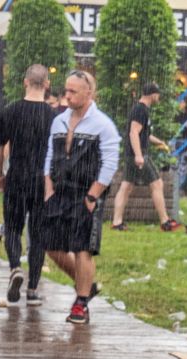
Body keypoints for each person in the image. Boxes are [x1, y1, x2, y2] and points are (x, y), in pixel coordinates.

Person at [42, 70, 120, 325]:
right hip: (59, 191)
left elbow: (110, 163)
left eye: (73, 91)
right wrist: (48, 189)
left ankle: (81, 303)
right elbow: (49, 157)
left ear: (89, 92)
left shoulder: (103, 125)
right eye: (66, 90)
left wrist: (93, 194)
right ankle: (85, 284)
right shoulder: (59, 121)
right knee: (51, 245)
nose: (67, 95)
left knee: (82, 247)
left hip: (85, 192)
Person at [0, 64, 58, 306]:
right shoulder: (54, 117)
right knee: (38, 234)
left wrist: (0, 173)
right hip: (43, 181)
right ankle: (32, 289)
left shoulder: (10, 111)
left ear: (25, 82)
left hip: (17, 176)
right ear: (47, 84)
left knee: (13, 228)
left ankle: (16, 268)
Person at [110, 82, 180, 233]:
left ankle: (116, 222)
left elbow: (144, 134)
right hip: (138, 154)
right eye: (158, 95)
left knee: (126, 186)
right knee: (157, 183)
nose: (158, 98)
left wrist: (159, 142)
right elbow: (134, 132)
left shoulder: (140, 109)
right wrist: (139, 155)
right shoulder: (141, 110)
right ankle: (165, 221)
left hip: (132, 153)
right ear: (153, 94)